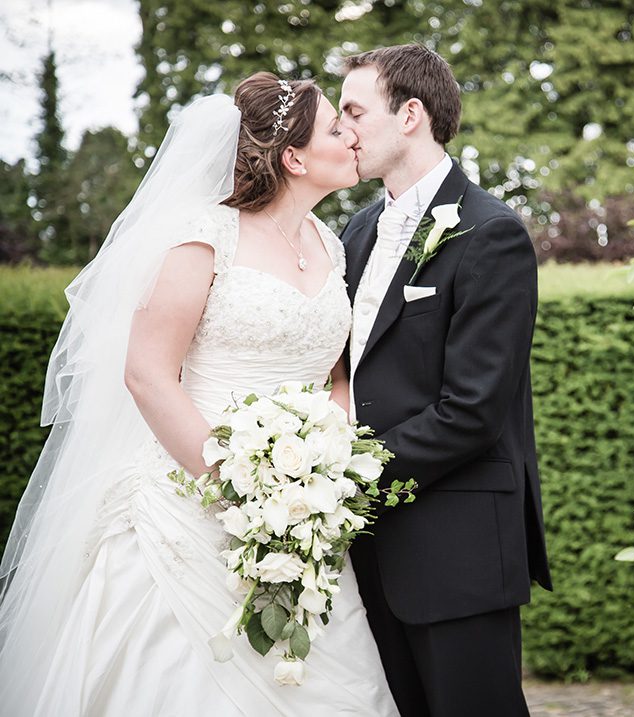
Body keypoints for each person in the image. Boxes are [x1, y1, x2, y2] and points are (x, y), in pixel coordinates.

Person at [0, 72, 399, 716]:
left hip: (304, 507)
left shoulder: (330, 244)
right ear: (294, 158)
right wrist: (232, 483)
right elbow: (147, 373)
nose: (352, 135)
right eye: (335, 127)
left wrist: (323, 466)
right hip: (193, 499)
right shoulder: (205, 236)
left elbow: (337, 376)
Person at [339, 44, 553, 716]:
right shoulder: (357, 229)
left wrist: (343, 474)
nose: (343, 129)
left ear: (410, 115)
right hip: (364, 552)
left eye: (353, 111)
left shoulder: (493, 233)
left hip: (455, 551)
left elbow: (472, 410)